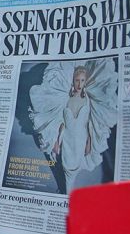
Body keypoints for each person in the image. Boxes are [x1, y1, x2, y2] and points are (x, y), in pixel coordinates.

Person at [28, 60, 118, 194]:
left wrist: (89, 143)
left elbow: (89, 124)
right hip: (67, 140)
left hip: (81, 140)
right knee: (66, 167)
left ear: (85, 81)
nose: (79, 84)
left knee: (75, 169)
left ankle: (68, 193)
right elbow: (61, 124)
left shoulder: (88, 99)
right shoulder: (66, 98)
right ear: (73, 80)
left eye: (82, 81)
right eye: (77, 80)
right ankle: (67, 192)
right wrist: (57, 143)